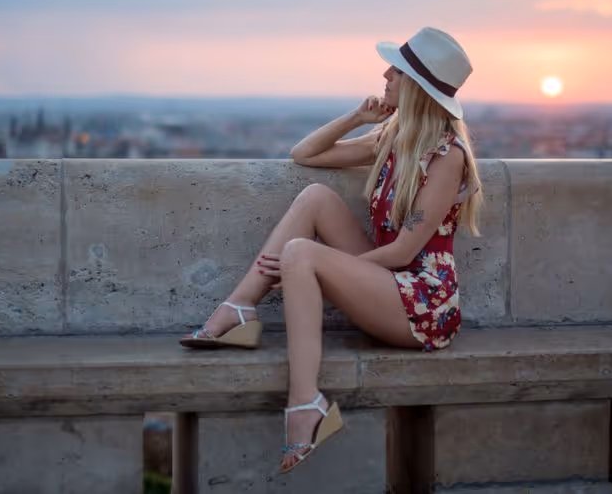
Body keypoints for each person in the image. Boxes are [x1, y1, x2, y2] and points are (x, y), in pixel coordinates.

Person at [180, 27, 484, 474]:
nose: (385, 75)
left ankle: (307, 405)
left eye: (396, 72)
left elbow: (403, 253)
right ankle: (239, 308)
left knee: (302, 253)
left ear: (416, 87)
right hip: (388, 283)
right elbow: (304, 154)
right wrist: (355, 118)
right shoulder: (393, 139)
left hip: (422, 306)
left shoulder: (447, 155)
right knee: (315, 197)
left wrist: (319, 271)